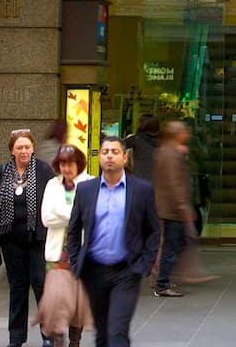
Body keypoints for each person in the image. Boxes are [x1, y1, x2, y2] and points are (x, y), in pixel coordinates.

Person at [60, 137, 162, 347]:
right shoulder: (86, 190)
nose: (109, 156)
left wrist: (145, 264)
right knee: (102, 331)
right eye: (105, 152)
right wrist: (75, 260)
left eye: (115, 152)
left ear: (125, 157)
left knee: (117, 329)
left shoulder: (141, 190)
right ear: (99, 158)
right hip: (94, 271)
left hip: (126, 271)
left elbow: (153, 231)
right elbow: (73, 230)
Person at [0, 129, 58, 347]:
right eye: (19, 147)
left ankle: (48, 335)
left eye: (27, 147)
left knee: (40, 284)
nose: (24, 151)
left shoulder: (44, 170)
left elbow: (54, 199)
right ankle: (16, 338)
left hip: (36, 238)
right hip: (10, 239)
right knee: (17, 287)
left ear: (33, 148)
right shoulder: (2, 172)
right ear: (12, 150)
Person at [152, 120, 198, 297]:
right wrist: (183, 207)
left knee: (172, 245)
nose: (187, 134)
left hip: (168, 207)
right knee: (171, 246)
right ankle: (162, 283)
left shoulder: (166, 150)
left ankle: (162, 279)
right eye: (184, 131)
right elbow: (175, 183)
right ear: (177, 134)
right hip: (172, 209)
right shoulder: (171, 154)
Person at [43, 144, 95, 267]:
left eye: (70, 164)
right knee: (56, 286)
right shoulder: (52, 184)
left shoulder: (90, 182)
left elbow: (91, 219)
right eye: (62, 164)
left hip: (85, 254)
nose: (66, 169)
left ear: (79, 164)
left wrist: (57, 210)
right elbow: (46, 219)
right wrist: (77, 217)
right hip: (56, 255)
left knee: (83, 287)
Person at [126, 115, 160, 180]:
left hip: (139, 177)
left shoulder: (135, 139)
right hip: (158, 179)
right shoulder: (164, 141)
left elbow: (118, 146)